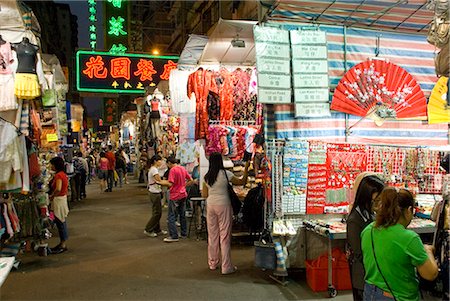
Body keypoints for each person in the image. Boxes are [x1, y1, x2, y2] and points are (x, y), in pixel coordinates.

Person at [361, 187, 439, 301]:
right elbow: (430, 274)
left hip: (370, 293)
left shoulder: (368, 230)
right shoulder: (409, 238)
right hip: (399, 296)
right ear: (409, 210)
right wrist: (427, 251)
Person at [202, 152, 249, 275]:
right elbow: (242, 181)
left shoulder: (207, 177)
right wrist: (246, 168)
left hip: (211, 205)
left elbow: (204, 195)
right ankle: (226, 266)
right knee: (225, 236)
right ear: (220, 161)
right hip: (224, 205)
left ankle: (212, 263)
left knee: (212, 236)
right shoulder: (226, 174)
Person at [346, 173, 385, 301]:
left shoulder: (371, 214)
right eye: (376, 200)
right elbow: (359, 253)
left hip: (374, 276)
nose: (379, 204)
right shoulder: (354, 220)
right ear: (366, 197)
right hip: (363, 277)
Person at [157, 156, 195, 242]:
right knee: (182, 215)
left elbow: (170, 183)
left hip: (175, 195)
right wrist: (183, 186)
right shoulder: (182, 168)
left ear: (169, 163)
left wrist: (160, 182)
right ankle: (183, 233)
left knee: (172, 216)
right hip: (183, 194)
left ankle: (174, 236)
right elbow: (191, 180)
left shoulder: (172, 170)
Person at [49, 157, 69, 254]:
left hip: (58, 200)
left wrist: (51, 196)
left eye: (52, 164)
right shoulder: (63, 174)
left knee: (60, 222)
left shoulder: (58, 175)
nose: (51, 166)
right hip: (62, 199)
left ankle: (63, 244)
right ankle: (62, 243)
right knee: (62, 221)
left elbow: (58, 188)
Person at [144, 155, 168, 237]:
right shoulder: (154, 170)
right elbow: (159, 180)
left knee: (157, 212)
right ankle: (148, 229)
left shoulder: (154, 169)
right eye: (159, 160)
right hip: (154, 192)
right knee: (157, 213)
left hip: (155, 191)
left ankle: (157, 229)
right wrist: (169, 182)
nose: (161, 162)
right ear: (155, 161)